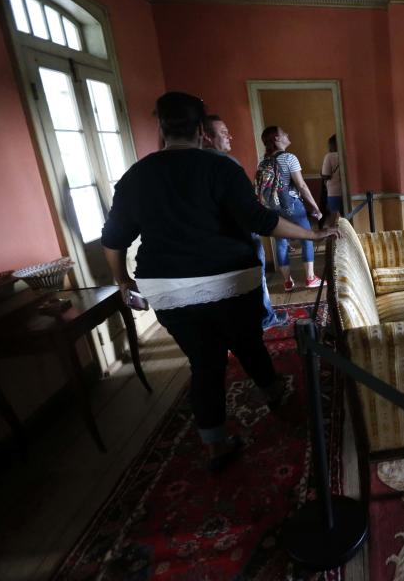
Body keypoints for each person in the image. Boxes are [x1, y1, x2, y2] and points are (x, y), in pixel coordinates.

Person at [101, 92, 338, 473]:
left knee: (204, 363)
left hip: (167, 289)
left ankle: (215, 444)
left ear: (161, 128)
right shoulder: (221, 168)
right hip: (228, 281)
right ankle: (274, 394)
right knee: (246, 342)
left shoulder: (136, 176)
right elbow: (260, 220)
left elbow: (113, 239)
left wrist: (122, 280)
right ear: (200, 131)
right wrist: (312, 237)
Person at [201, 115, 288, 329]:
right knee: (256, 278)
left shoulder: (190, 165)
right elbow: (249, 210)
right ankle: (265, 318)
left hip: (213, 241)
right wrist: (312, 234)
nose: (229, 136)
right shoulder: (226, 164)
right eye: (223, 133)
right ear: (206, 137)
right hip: (241, 234)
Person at [259, 126, 324, 291]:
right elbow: (301, 185)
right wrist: (316, 207)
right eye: (283, 133)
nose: (287, 134)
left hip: (273, 208)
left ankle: (287, 281)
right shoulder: (289, 158)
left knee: (281, 243)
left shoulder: (264, 161)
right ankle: (310, 278)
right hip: (292, 206)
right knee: (307, 239)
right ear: (276, 139)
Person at [320, 134, 342, 227]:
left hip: (334, 192)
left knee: (333, 220)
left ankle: (331, 240)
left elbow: (326, 175)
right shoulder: (348, 154)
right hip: (348, 193)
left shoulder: (329, 156)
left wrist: (321, 172)